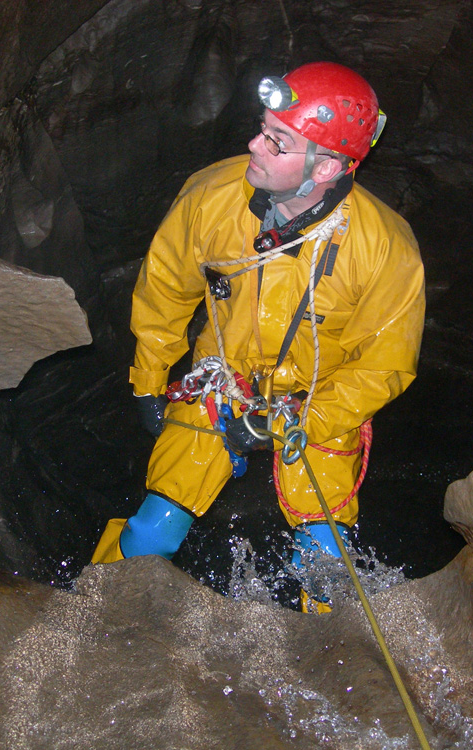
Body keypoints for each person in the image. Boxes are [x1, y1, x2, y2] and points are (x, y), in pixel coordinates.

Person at [92, 61, 425, 612]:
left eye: (278, 140)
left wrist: (297, 420)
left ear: (327, 168)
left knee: (326, 557)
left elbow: (384, 365)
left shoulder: (384, 249)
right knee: (155, 524)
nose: (254, 144)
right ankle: (93, 620)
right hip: (220, 381)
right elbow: (165, 290)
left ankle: (331, 657)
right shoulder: (211, 197)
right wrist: (149, 377)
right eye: (263, 127)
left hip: (319, 402)